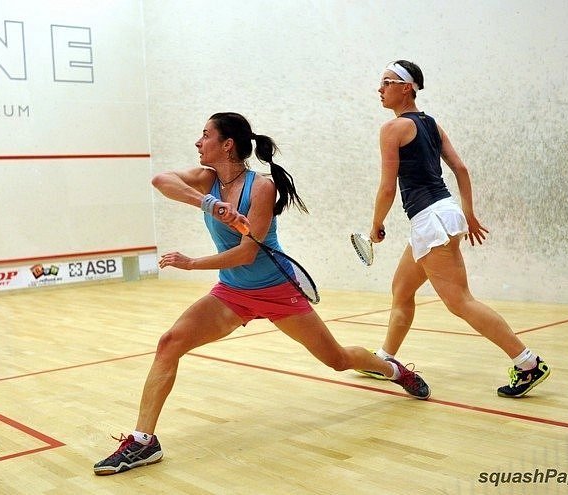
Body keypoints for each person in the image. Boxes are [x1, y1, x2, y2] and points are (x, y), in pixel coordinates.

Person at [93, 112, 430, 476]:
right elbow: (161, 180)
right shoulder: (206, 180)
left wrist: (190, 264)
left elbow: (246, 253)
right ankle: (144, 442)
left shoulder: (262, 187)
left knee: (337, 359)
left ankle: (390, 369)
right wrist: (209, 204)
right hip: (232, 292)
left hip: (276, 290)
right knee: (169, 343)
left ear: (227, 145)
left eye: (205, 135)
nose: (198, 142)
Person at [356, 60, 550, 398]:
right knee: (402, 289)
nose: (380, 89)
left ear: (407, 88)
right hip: (440, 216)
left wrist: (376, 225)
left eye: (387, 82)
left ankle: (528, 363)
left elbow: (387, 187)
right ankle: (386, 359)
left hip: (431, 221)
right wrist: (468, 214)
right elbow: (460, 168)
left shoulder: (392, 129)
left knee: (460, 302)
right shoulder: (431, 124)